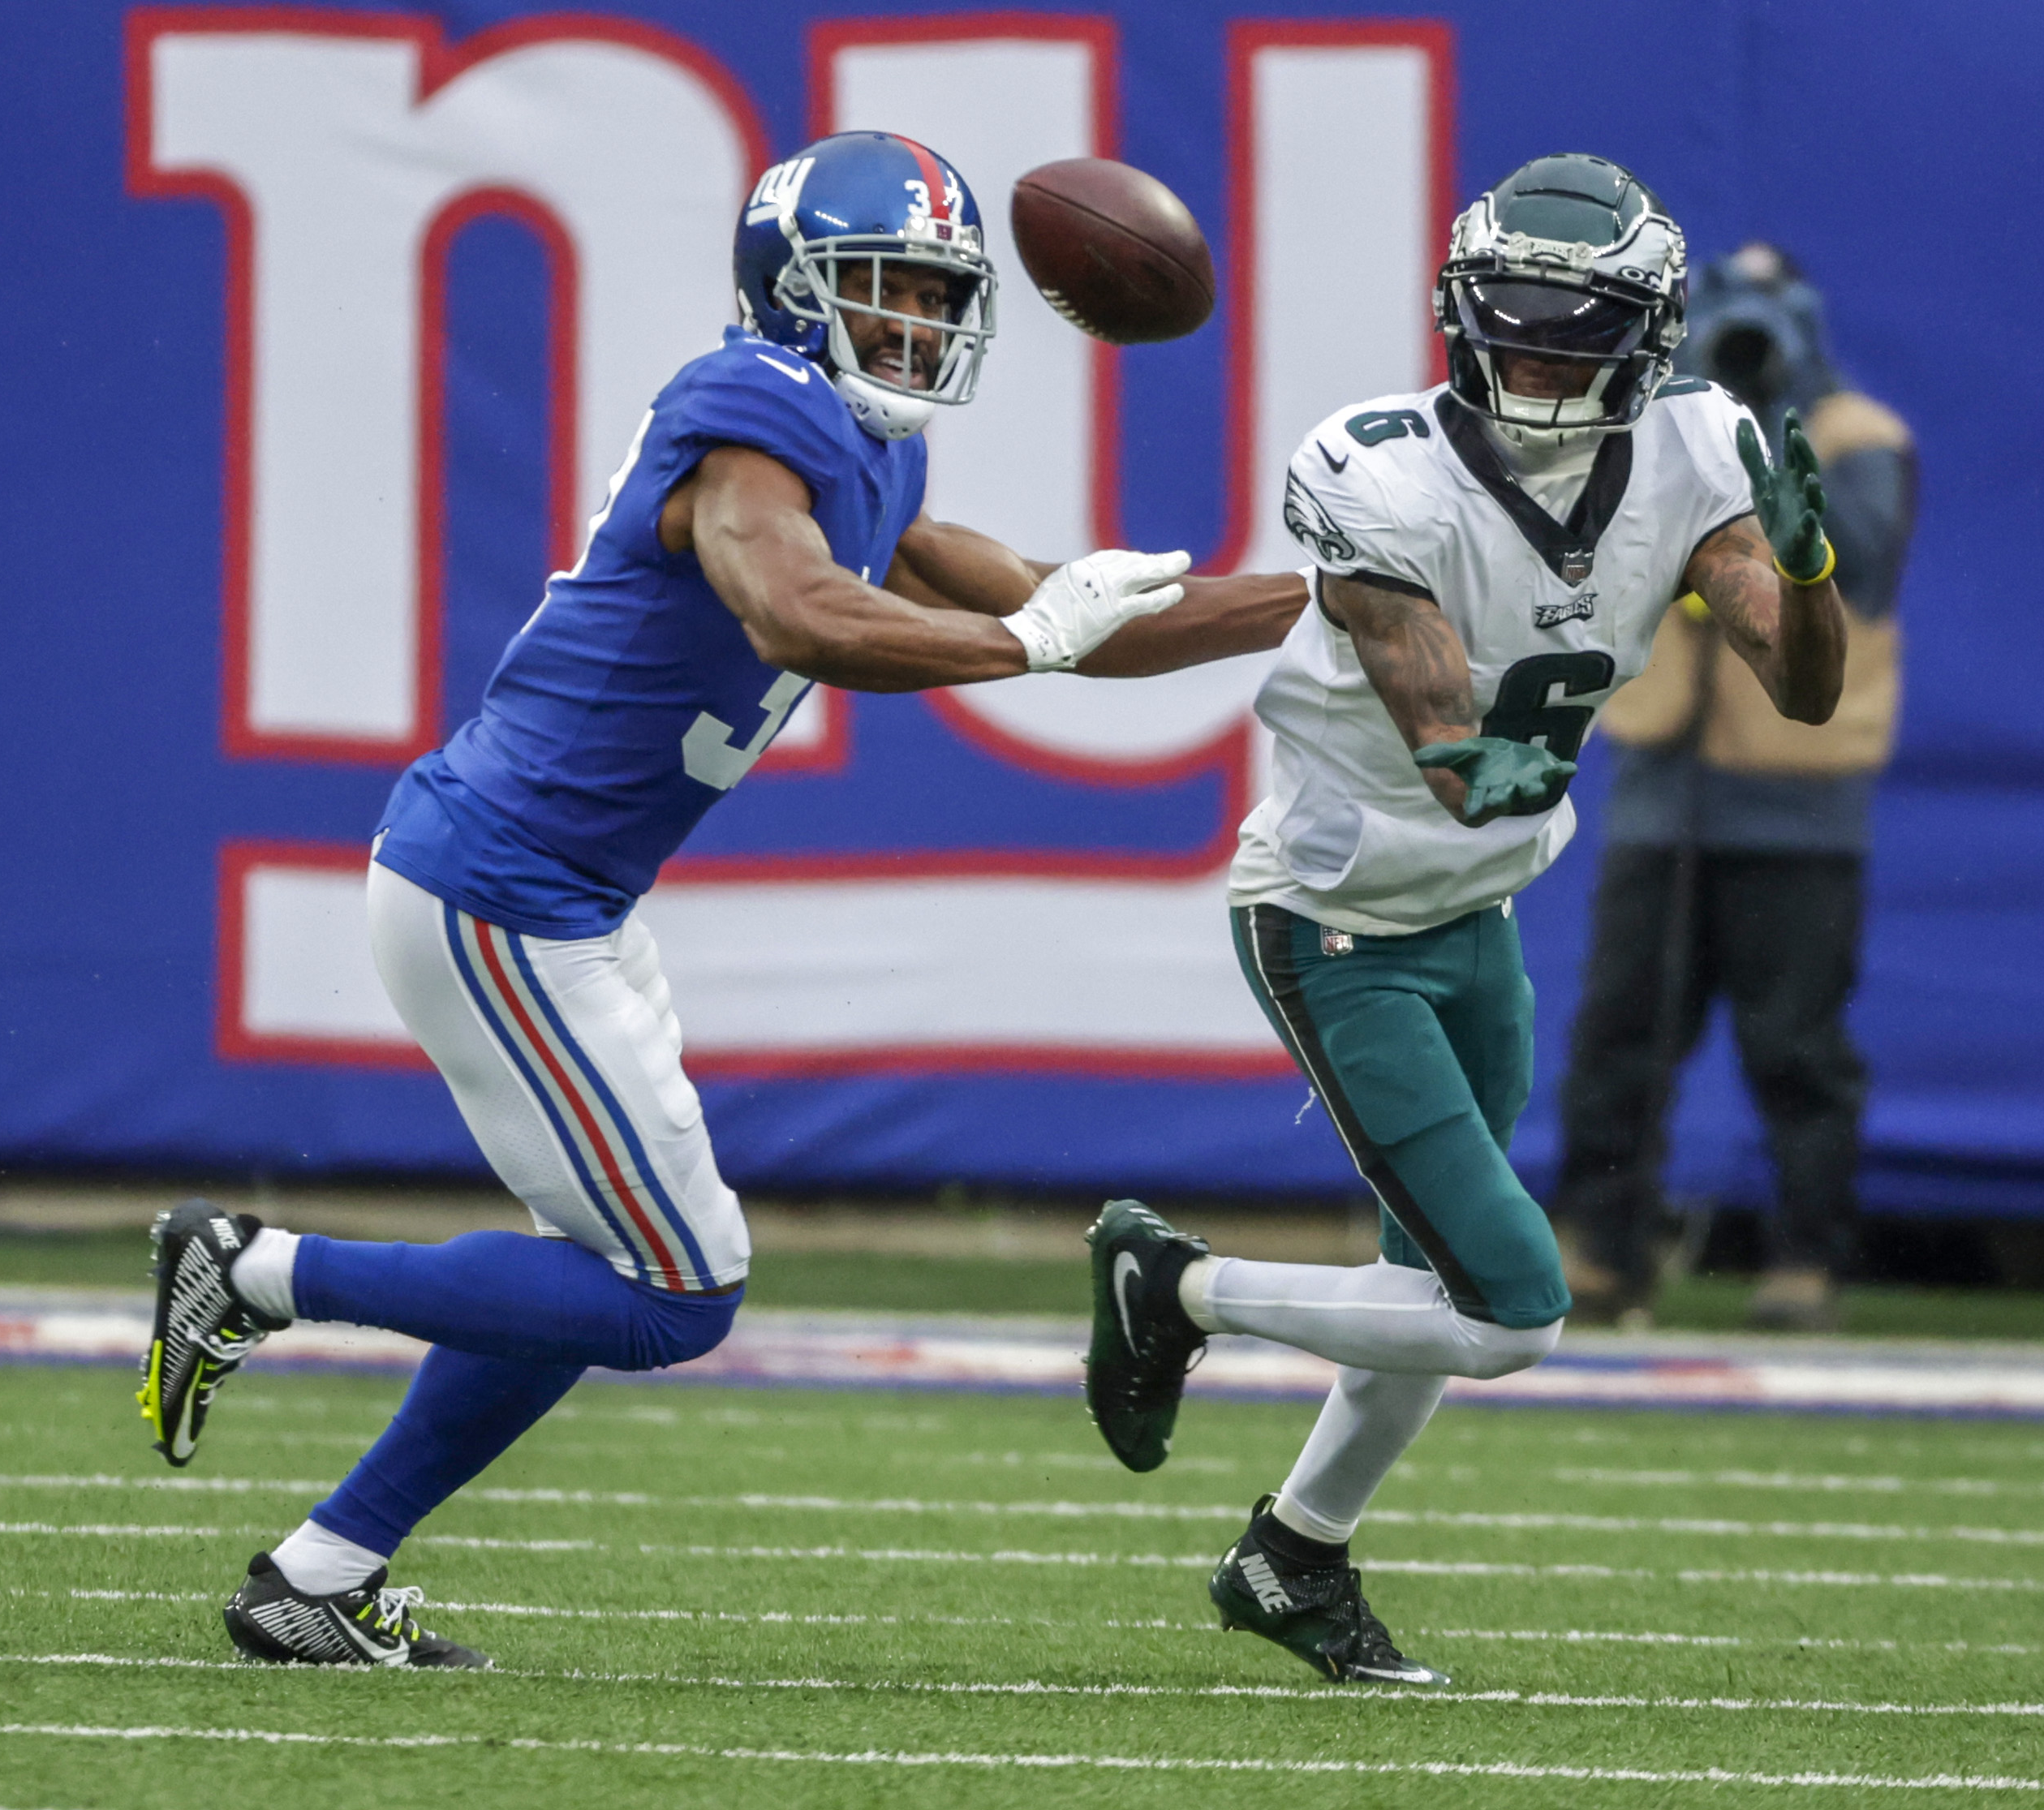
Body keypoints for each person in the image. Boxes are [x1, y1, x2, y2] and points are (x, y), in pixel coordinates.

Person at [134, 130, 1307, 1667]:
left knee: (593, 1270)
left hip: (566, 898)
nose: (918, 327)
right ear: (793, 292)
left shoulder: (868, 445)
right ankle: (255, 1272)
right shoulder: (752, 412)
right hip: (501, 891)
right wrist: (1031, 645)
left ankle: (317, 1572)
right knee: (679, 1292)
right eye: (884, 291)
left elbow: (1064, 604)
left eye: (938, 295)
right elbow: (802, 613)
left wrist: (1343, 590)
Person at [1080, 157, 1848, 1687]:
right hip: (1336, 917)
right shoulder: (1376, 469)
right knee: (1507, 1310)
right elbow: (1434, 712)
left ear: (1651, 338)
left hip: (1478, 915)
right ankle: (1170, 1286)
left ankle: (1293, 1554)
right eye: (1515, 325)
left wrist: (1813, 566)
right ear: (1457, 317)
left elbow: (1805, 688)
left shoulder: (1702, 450)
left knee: (1428, 1288)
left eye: (1578, 331)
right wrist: (1463, 756)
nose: (1541, 357)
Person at [1551, 242, 1917, 1332]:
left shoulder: (1862, 438)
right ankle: (1602, 1251)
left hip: (1800, 803)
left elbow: (1864, 566)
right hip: (1663, 787)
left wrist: (1773, 433)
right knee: (1619, 1034)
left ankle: (1806, 1258)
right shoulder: (1650, 434)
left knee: (1796, 1047)